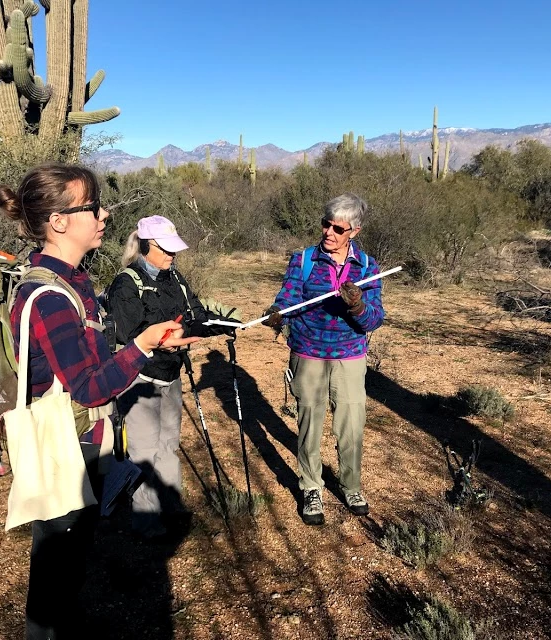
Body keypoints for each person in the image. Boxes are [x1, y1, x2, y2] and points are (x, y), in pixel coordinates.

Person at [0, 163, 198, 639]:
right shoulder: (49, 296)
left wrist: (144, 343)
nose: (104, 214)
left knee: (69, 566)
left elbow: (87, 368)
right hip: (63, 445)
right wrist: (143, 346)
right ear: (59, 221)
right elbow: (87, 387)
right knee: (55, 572)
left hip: (82, 439)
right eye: (92, 206)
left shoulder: (72, 282)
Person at [106, 215, 236, 538]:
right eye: (166, 250)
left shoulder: (174, 277)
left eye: (174, 250)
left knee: (169, 444)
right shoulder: (126, 283)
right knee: (144, 451)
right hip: (139, 379)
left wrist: (220, 324)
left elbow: (195, 316)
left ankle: (171, 508)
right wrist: (166, 340)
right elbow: (131, 333)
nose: (172, 256)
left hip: (171, 376)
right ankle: (147, 521)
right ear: (148, 246)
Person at [263, 193, 385, 526]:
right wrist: (277, 315)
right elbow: (288, 297)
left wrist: (358, 305)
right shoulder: (303, 260)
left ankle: (350, 485)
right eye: (326, 224)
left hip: (350, 357)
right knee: (309, 424)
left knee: (350, 425)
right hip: (308, 353)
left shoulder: (367, 267)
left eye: (338, 229)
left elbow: (374, 320)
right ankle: (311, 487)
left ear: (354, 232)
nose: (329, 233)